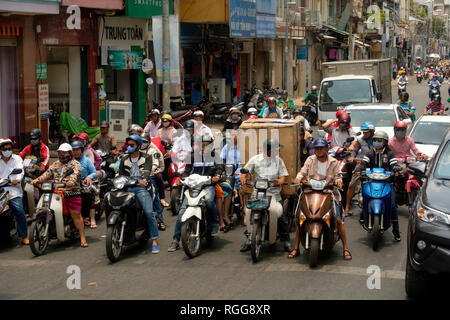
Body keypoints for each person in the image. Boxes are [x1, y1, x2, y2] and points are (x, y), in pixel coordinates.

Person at [290, 138, 352, 260]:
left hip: (329, 192)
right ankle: (296, 248)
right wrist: (298, 178)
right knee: (300, 218)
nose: (319, 150)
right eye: (317, 148)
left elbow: (338, 175)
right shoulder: (310, 159)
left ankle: (345, 248)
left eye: (321, 148)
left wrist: (338, 181)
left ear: (326, 149)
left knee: (339, 220)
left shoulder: (333, 162)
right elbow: (302, 172)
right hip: (310, 191)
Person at [168, 134, 223, 252]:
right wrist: (181, 179)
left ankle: (214, 224)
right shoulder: (192, 157)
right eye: (202, 145)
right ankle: (176, 240)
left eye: (207, 145)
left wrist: (217, 176)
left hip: (207, 186)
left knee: (208, 201)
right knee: (182, 212)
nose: (204, 147)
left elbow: (219, 168)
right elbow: (186, 171)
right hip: (193, 188)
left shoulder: (215, 156)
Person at [239, 139, 291, 252]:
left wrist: (280, 181)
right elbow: (245, 170)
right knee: (248, 213)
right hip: (258, 193)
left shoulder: (279, 161)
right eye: (275, 150)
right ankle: (249, 238)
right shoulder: (255, 159)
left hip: (274, 194)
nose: (277, 152)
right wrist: (243, 177)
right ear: (268, 151)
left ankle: (285, 240)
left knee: (281, 216)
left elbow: (283, 176)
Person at [32, 143, 87, 247]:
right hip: (56, 192)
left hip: (71, 192)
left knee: (76, 215)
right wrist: (37, 180)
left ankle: (82, 238)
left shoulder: (76, 164)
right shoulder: (56, 164)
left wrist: (68, 183)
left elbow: (74, 178)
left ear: (70, 153)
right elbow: (46, 174)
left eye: (64, 152)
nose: (62, 154)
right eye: (60, 152)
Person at [118, 134, 160, 253]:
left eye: (132, 145)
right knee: (109, 199)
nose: (129, 147)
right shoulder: (124, 159)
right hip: (126, 188)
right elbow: (121, 174)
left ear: (138, 146)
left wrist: (141, 181)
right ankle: (112, 228)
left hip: (141, 189)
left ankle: (154, 240)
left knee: (148, 211)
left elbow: (145, 175)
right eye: (128, 145)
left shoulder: (147, 157)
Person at [357, 131, 401, 241]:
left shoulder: (390, 154)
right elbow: (364, 163)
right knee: (364, 199)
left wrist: (395, 168)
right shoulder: (370, 153)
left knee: (392, 205)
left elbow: (394, 163)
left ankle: (396, 230)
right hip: (372, 181)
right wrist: (359, 168)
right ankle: (363, 214)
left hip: (387, 183)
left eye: (379, 140)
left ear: (385, 142)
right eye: (375, 140)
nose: (377, 142)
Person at [0, 138, 28, 245]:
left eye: (9, 148)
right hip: (1, 189)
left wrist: (16, 180)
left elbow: (20, 172)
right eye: (5, 149)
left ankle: (24, 236)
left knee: (19, 211)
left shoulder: (17, 159)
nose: (7, 150)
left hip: (13, 190)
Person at [345, 121, 375, 217]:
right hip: (362, 164)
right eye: (363, 132)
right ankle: (347, 207)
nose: (364, 134)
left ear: (372, 131)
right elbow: (354, 150)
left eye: (366, 132)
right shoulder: (360, 140)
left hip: (375, 165)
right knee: (352, 184)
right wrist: (352, 157)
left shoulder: (378, 140)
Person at [217, 129, 242, 232]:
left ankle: (244, 211)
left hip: (240, 173)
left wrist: (241, 173)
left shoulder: (244, 148)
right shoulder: (226, 147)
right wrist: (222, 171)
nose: (234, 137)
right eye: (232, 135)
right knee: (224, 190)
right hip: (229, 173)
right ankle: (224, 215)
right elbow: (221, 160)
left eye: (236, 135)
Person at [141, 134, 166, 230]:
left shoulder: (153, 150)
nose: (143, 144)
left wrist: (152, 170)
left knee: (154, 195)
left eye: (145, 142)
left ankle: (160, 219)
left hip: (149, 176)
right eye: (141, 141)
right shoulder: (135, 149)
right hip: (136, 178)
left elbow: (156, 162)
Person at [71, 141, 98, 228]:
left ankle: (91, 218)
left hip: (83, 183)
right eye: (73, 150)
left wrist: (89, 177)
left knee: (88, 196)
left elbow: (94, 172)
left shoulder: (87, 161)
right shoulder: (69, 161)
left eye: (77, 150)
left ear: (81, 150)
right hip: (71, 184)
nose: (76, 152)